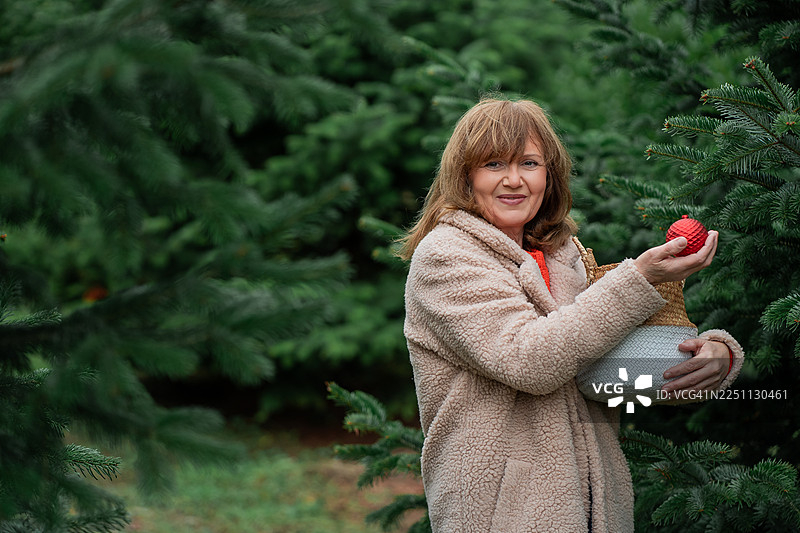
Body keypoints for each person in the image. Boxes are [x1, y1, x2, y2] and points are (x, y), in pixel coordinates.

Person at [400, 98, 744, 533]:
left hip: (594, 508)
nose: (513, 179)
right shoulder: (446, 257)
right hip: (503, 515)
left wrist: (713, 357)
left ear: (549, 173)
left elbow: (608, 377)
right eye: (492, 163)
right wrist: (638, 277)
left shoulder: (564, 256)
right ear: (466, 177)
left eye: (529, 162)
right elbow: (530, 361)